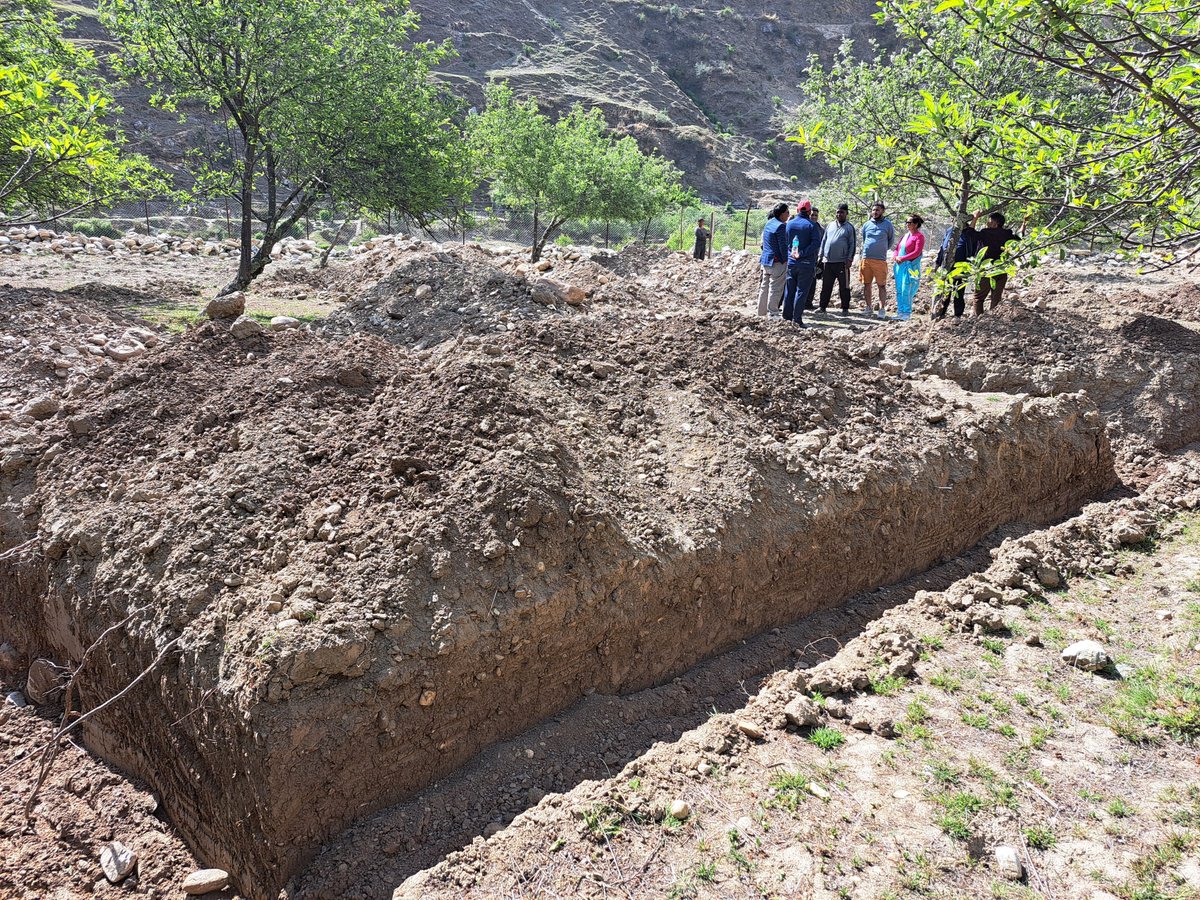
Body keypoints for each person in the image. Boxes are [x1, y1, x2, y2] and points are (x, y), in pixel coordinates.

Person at [964, 210, 1019, 314]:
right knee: (996, 298)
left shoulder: (986, 233)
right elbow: (1019, 238)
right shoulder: (1007, 234)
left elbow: (970, 234)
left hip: (986, 270)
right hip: (1001, 269)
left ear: (995, 223)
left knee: (978, 298)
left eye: (989, 221)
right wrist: (1024, 223)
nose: (987, 223)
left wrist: (975, 218)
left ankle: (979, 319)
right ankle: (994, 320)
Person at [782, 201, 817, 327]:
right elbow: (815, 244)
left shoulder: (789, 224)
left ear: (797, 210)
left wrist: (793, 254)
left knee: (789, 290)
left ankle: (786, 318)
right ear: (809, 211)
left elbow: (787, 242)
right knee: (801, 291)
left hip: (792, 263)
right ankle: (797, 319)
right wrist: (802, 254)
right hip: (806, 264)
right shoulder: (812, 226)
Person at [818, 203, 856, 316]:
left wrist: (849, 259)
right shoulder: (830, 225)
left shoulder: (849, 228)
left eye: (842, 212)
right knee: (826, 286)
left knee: (844, 287)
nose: (839, 214)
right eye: (838, 212)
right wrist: (820, 256)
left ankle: (845, 308)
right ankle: (822, 307)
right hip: (828, 262)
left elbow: (852, 244)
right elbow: (824, 241)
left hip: (842, 262)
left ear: (846, 213)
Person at [933, 223, 978, 318]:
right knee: (944, 290)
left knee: (958, 291)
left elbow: (972, 247)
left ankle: (957, 315)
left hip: (961, 267)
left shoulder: (969, 232)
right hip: (946, 266)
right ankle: (940, 313)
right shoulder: (950, 230)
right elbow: (943, 246)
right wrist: (938, 262)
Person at [860, 201, 895, 318]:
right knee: (867, 284)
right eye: (874, 210)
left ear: (883, 211)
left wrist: (881, 249)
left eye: (878, 210)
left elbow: (890, 241)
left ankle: (882, 309)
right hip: (866, 259)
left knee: (881, 285)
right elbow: (865, 239)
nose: (875, 212)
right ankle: (868, 307)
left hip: (880, 260)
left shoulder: (888, 225)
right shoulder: (866, 225)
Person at [757, 202, 790, 318]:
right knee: (775, 289)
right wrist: (786, 260)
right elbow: (783, 246)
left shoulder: (769, 223)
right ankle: (773, 313)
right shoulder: (781, 226)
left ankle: (761, 313)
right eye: (787, 212)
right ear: (782, 214)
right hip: (777, 262)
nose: (788, 215)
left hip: (766, 261)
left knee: (764, 288)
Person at [892, 214, 925, 320]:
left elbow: (916, 252)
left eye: (909, 222)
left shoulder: (919, 237)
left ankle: (907, 312)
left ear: (915, 224)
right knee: (899, 289)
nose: (907, 224)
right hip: (900, 266)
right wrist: (896, 256)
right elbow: (897, 248)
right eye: (906, 222)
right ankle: (900, 311)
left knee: (907, 288)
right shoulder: (905, 236)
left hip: (910, 266)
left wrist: (903, 258)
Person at [805, 206, 824, 311]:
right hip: (804, 258)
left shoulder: (821, 229)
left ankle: (808, 303)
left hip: (815, 259)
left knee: (813, 282)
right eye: (812, 214)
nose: (814, 217)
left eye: (816, 215)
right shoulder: (804, 227)